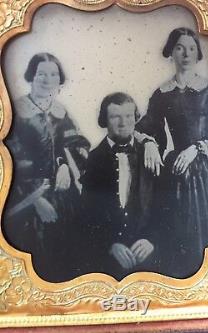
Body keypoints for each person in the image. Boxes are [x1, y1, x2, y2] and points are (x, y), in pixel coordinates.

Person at [137, 27, 208, 278]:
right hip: (176, 172)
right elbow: (147, 127)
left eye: (191, 48)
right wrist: (150, 144)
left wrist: (197, 148)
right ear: (171, 53)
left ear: (197, 52)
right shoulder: (162, 94)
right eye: (179, 47)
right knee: (178, 234)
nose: (186, 53)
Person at [3, 53, 90, 282]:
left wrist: (63, 165)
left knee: (69, 251)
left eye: (53, 74)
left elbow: (76, 144)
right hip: (25, 197)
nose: (47, 79)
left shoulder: (60, 112)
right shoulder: (16, 112)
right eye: (41, 73)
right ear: (32, 76)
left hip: (62, 193)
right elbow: (12, 159)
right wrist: (36, 200)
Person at [81, 92, 158, 280]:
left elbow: (165, 206)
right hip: (107, 257)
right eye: (116, 117)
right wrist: (110, 244)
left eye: (129, 116)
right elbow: (86, 214)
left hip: (150, 255)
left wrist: (152, 240)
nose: (123, 123)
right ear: (104, 121)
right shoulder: (92, 159)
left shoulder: (151, 154)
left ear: (135, 118)